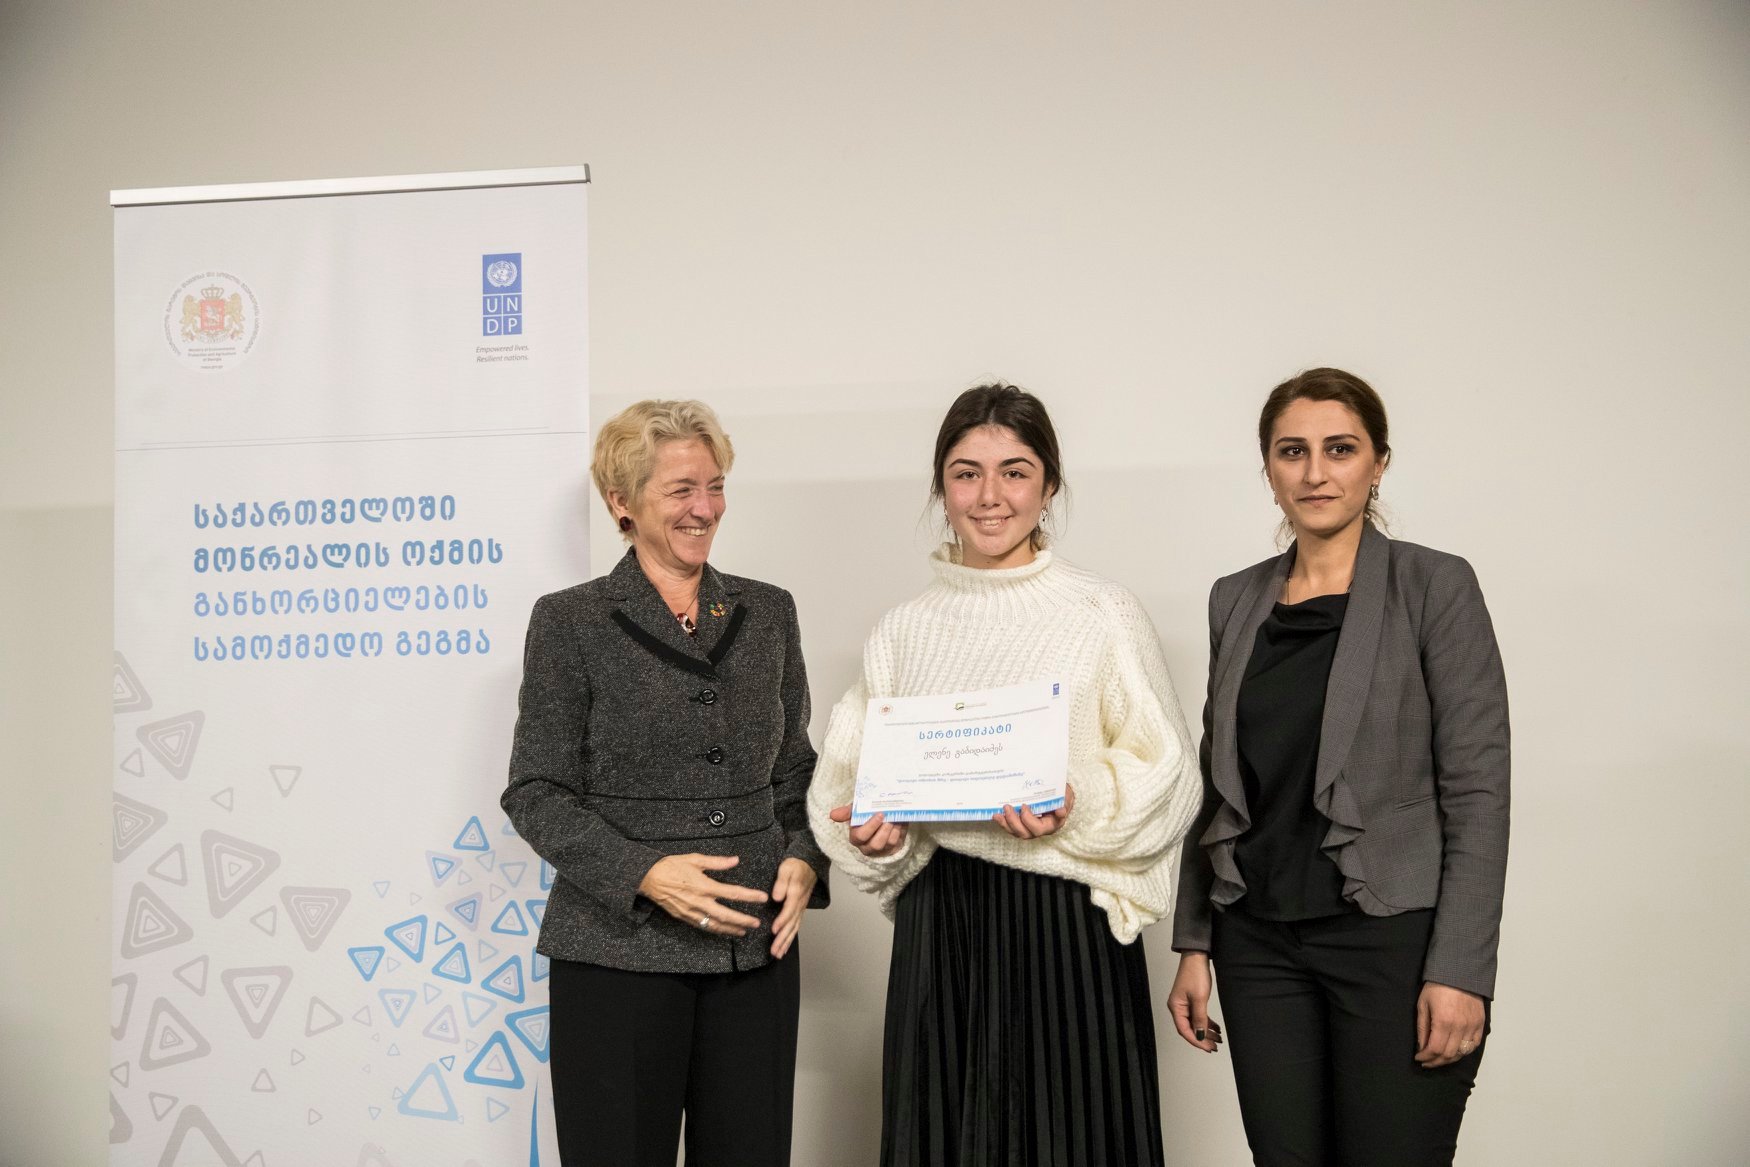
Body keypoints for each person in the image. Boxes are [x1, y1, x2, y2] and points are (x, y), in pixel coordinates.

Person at [808, 382, 1202, 1167]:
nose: (990, 495)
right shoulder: (903, 631)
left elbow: (1170, 774)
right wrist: (875, 836)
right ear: (941, 487)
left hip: (1067, 928)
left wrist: (1076, 800)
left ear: (1049, 485)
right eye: (967, 473)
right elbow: (841, 789)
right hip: (942, 925)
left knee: (1075, 1140)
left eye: (1015, 471)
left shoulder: (1101, 612)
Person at [1167, 367, 1510, 1166]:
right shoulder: (1234, 598)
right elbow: (1216, 783)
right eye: (1292, 451)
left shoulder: (1434, 585)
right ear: (1268, 469)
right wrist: (1194, 941)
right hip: (1258, 946)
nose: (1315, 472)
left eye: (1340, 449)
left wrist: (1462, 970)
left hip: (1389, 941)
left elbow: (1478, 790)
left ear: (1378, 462)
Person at [503, 399, 829, 1167]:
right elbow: (535, 791)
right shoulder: (570, 622)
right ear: (622, 502)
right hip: (615, 955)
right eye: (681, 489)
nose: (704, 508)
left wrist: (806, 853)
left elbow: (796, 768)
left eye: (715, 486)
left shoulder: (769, 611)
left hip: (753, 954)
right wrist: (645, 873)